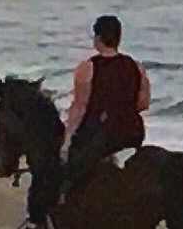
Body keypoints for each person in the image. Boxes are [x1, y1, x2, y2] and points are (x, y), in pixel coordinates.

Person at [58, 14, 150, 206]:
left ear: (98, 39)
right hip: (132, 133)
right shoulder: (136, 67)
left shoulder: (87, 68)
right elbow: (143, 103)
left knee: (66, 168)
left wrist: (66, 138)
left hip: (100, 135)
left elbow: (80, 107)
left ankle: (64, 208)